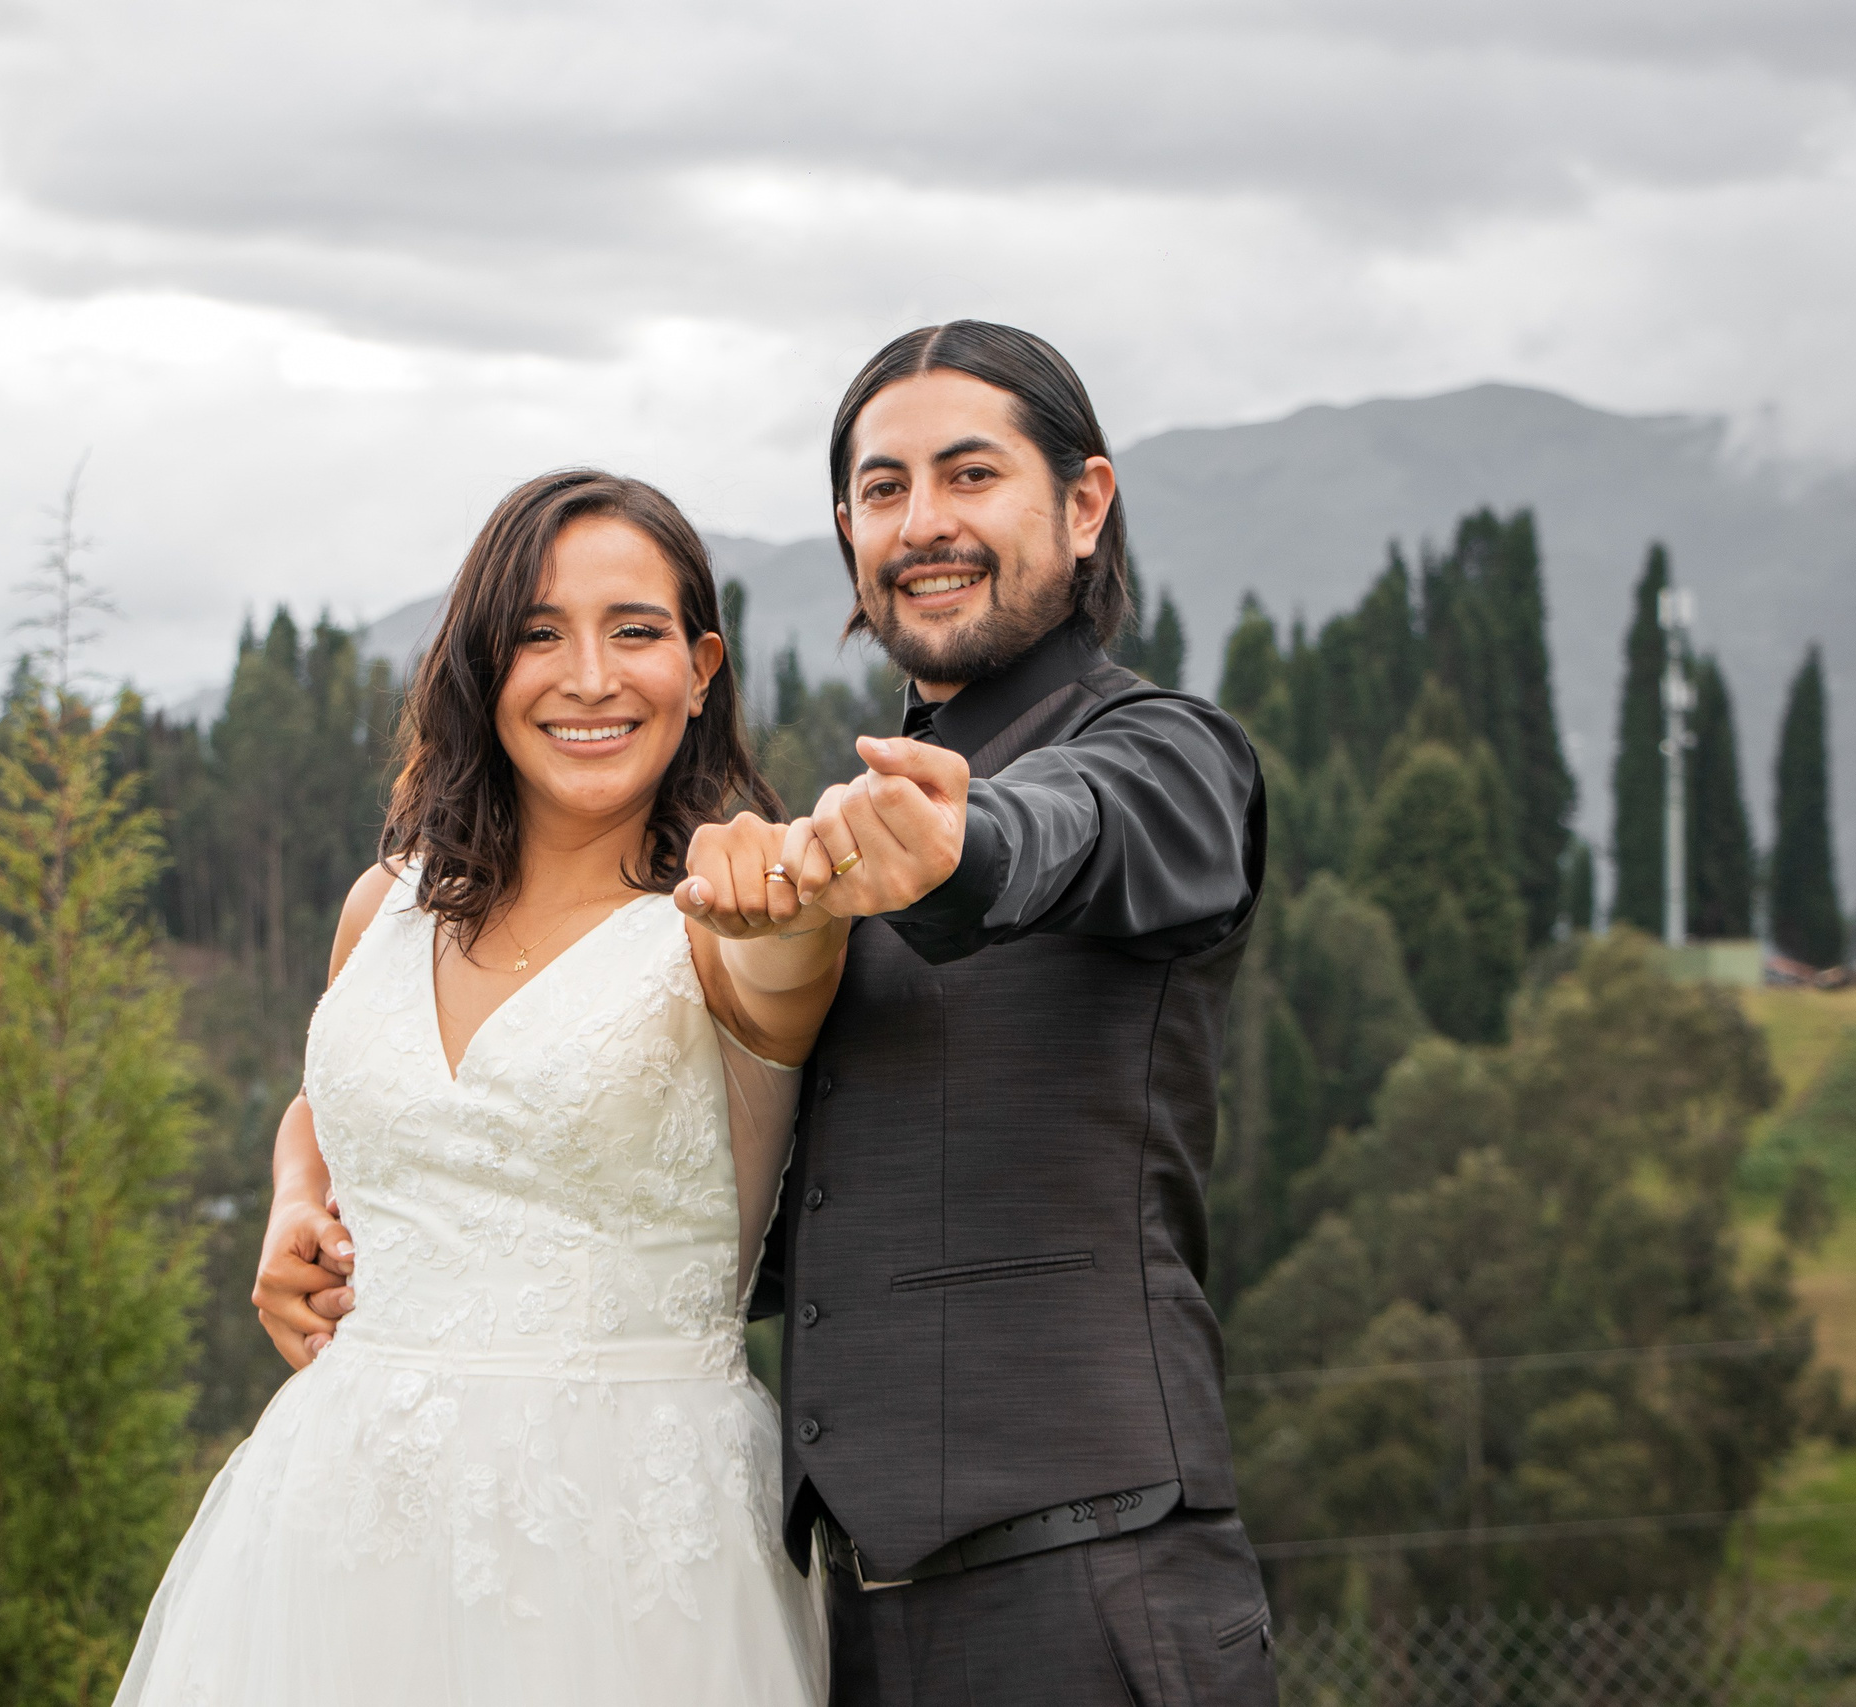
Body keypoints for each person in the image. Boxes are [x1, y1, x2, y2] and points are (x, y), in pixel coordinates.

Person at [264, 320, 1273, 1706]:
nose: (923, 522)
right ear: (848, 528)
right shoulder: (808, 850)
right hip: (827, 1603)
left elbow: (1074, 826)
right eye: (882, 488)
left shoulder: (1162, 753)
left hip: (1083, 1582)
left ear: (1085, 504)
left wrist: (964, 848)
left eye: (971, 474)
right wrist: (313, 1196)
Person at [117, 469, 848, 1705]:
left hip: (622, 1563)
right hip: (335, 1536)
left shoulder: (726, 927)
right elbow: (330, 1103)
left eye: (634, 631)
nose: (589, 677)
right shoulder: (384, 906)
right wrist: (295, 1199)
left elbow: (791, 961)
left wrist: (800, 898)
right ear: (480, 665)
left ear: (701, 668)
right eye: (538, 634)